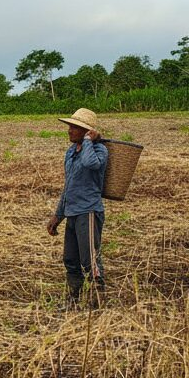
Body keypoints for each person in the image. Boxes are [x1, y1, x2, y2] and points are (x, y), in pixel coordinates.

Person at [45, 108, 107, 310]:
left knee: (90, 259)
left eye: (74, 127)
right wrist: (58, 215)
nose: (69, 131)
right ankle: (73, 300)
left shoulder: (99, 151)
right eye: (70, 126)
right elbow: (68, 185)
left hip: (88, 211)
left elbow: (91, 164)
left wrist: (89, 141)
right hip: (71, 211)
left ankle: (98, 300)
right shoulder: (71, 152)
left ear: (86, 131)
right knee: (70, 259)